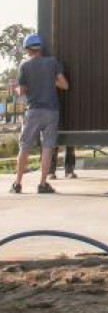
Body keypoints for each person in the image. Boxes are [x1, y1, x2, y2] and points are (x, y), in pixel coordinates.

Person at [10, 34, 69, 194]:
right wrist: (50, 81)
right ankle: (43, 184)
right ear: (41, 48)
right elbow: (64, 85)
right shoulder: (52, 63)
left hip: (34, 111)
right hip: (51, 111)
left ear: (28, 49)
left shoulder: (24, 65)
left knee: (25, 147)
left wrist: (15, 88)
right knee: (48, 147)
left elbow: (21, 92)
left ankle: (17, 184)